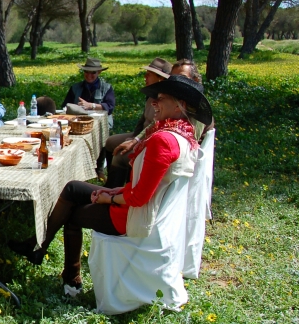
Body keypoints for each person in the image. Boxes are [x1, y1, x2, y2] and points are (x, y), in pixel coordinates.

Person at [11, 76, 212, 298]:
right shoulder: (182, 133)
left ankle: (72, 277)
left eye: (160, 99)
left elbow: (140, 197)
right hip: (138, 203)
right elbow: (144, 187)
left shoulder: (163, 140)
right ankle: (38, 248)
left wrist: (110, 198)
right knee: (72, 189)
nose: (154, 103)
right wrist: (115, 190)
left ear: (180, 105)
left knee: (72, 215)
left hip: (135, 216)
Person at [103, 58, 172, 187]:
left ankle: (113, 189)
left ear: (160, 78)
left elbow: (157, 127)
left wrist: (135, 141)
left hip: (150, 140)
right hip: (140, 135)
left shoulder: (167, 100)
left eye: (149, 74)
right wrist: (133, 136)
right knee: (110, 142)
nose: (145, 77)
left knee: (120, 154)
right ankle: (112, 179)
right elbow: (142, 120)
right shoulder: (151, 94)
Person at [61, 57, 116, 179]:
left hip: (101, 122)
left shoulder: (106, 87)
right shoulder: (76, 87)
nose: (89, 75)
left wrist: (92, 106)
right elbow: (65, 105)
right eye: (86, 72)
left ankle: (99, 169)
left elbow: (110, 107)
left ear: (99, 72)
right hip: (78, 123)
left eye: (93, 72)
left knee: (102, 138)